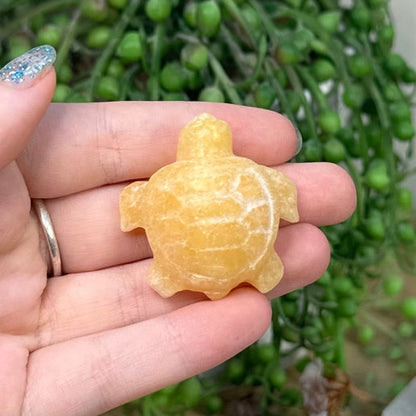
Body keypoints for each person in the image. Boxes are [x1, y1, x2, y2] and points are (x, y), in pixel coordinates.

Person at [0, 46, 356, 416]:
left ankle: (182, 274)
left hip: (179, 270)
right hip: (250, 261)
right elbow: (283, 197)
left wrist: (135, 212)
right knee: (268, 271)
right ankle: (254, 268)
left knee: (184, 279)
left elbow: (134, 206)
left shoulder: (164, 180)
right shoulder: (254, 174)